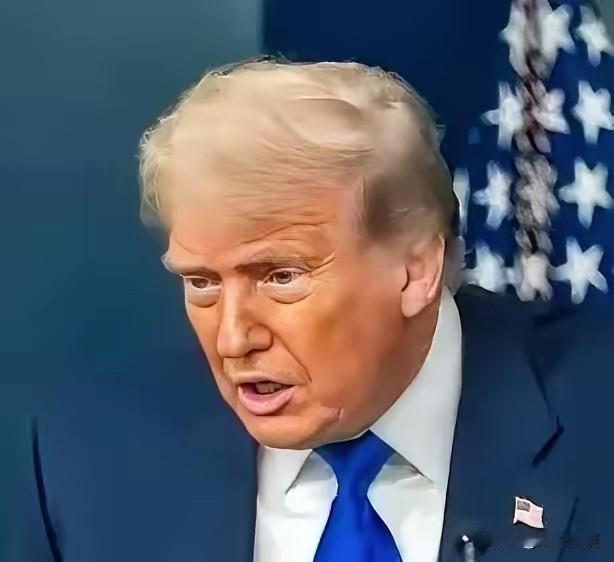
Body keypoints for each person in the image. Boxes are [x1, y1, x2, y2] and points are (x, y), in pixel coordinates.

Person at [5, 58, 614, 562]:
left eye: (280, 277)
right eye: (202, 283)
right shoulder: (86, 459)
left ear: (415, 270)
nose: (233, 339)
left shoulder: (596, 418)